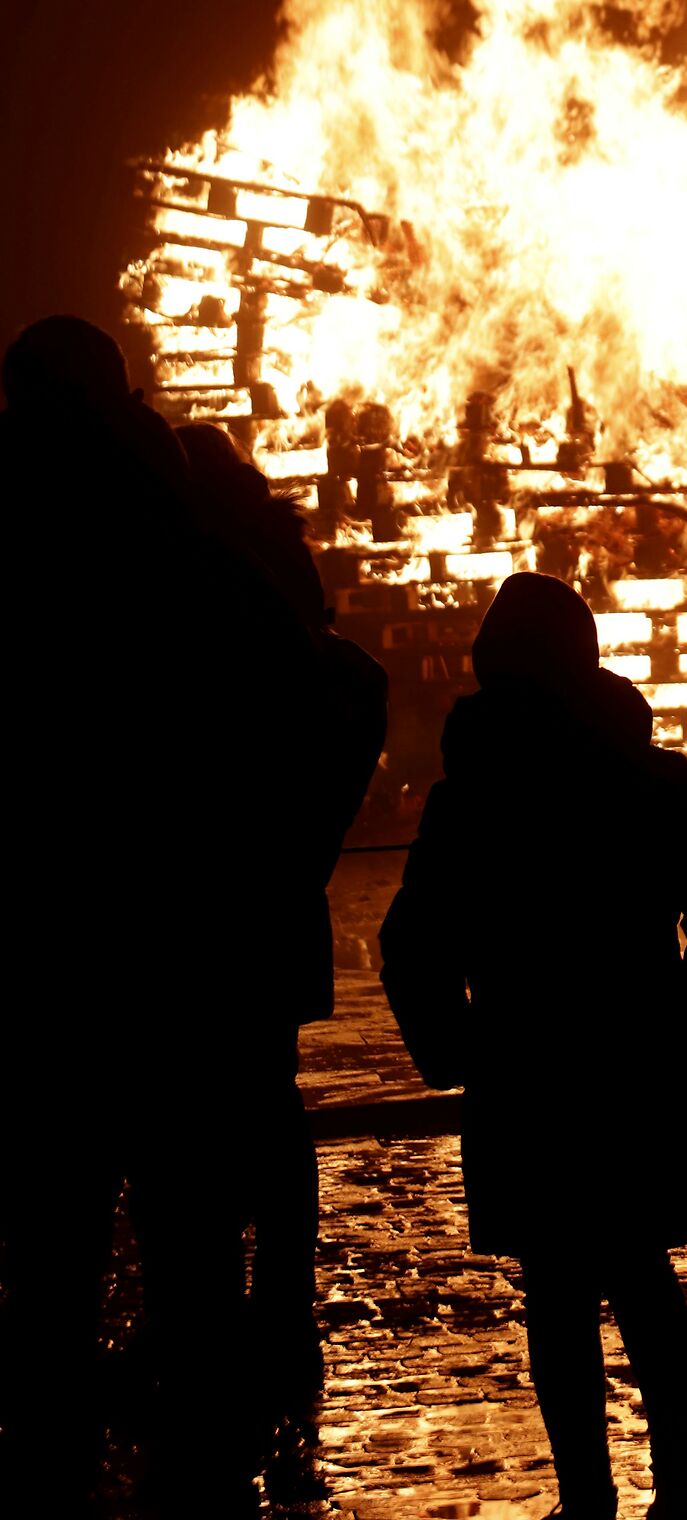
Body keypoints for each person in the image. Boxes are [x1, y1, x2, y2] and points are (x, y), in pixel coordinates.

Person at [0, 318, 323, 1512]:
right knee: (189, 1251)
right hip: (187, 963)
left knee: (50, 1251)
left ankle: (53, 1461)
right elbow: (310, 692)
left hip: (46, 959)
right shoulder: (195, 563)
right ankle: (196, 1473)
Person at [380, 573, 687, 1520]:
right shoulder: (654, 783)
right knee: (644, 1277)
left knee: (557, 1291)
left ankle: (585, 1497)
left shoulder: (471, 799)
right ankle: (682, 1487)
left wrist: (456, 1048)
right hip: (636, 1064)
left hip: (523, 1069)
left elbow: (413, 942)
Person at [176, 422, 387, 1413]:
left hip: (220, 890)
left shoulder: (215, 584)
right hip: (273, 889)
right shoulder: (274, 577)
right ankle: (277, 1308)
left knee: (210, 1114)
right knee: (264, 1102)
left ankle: (226, 1322)